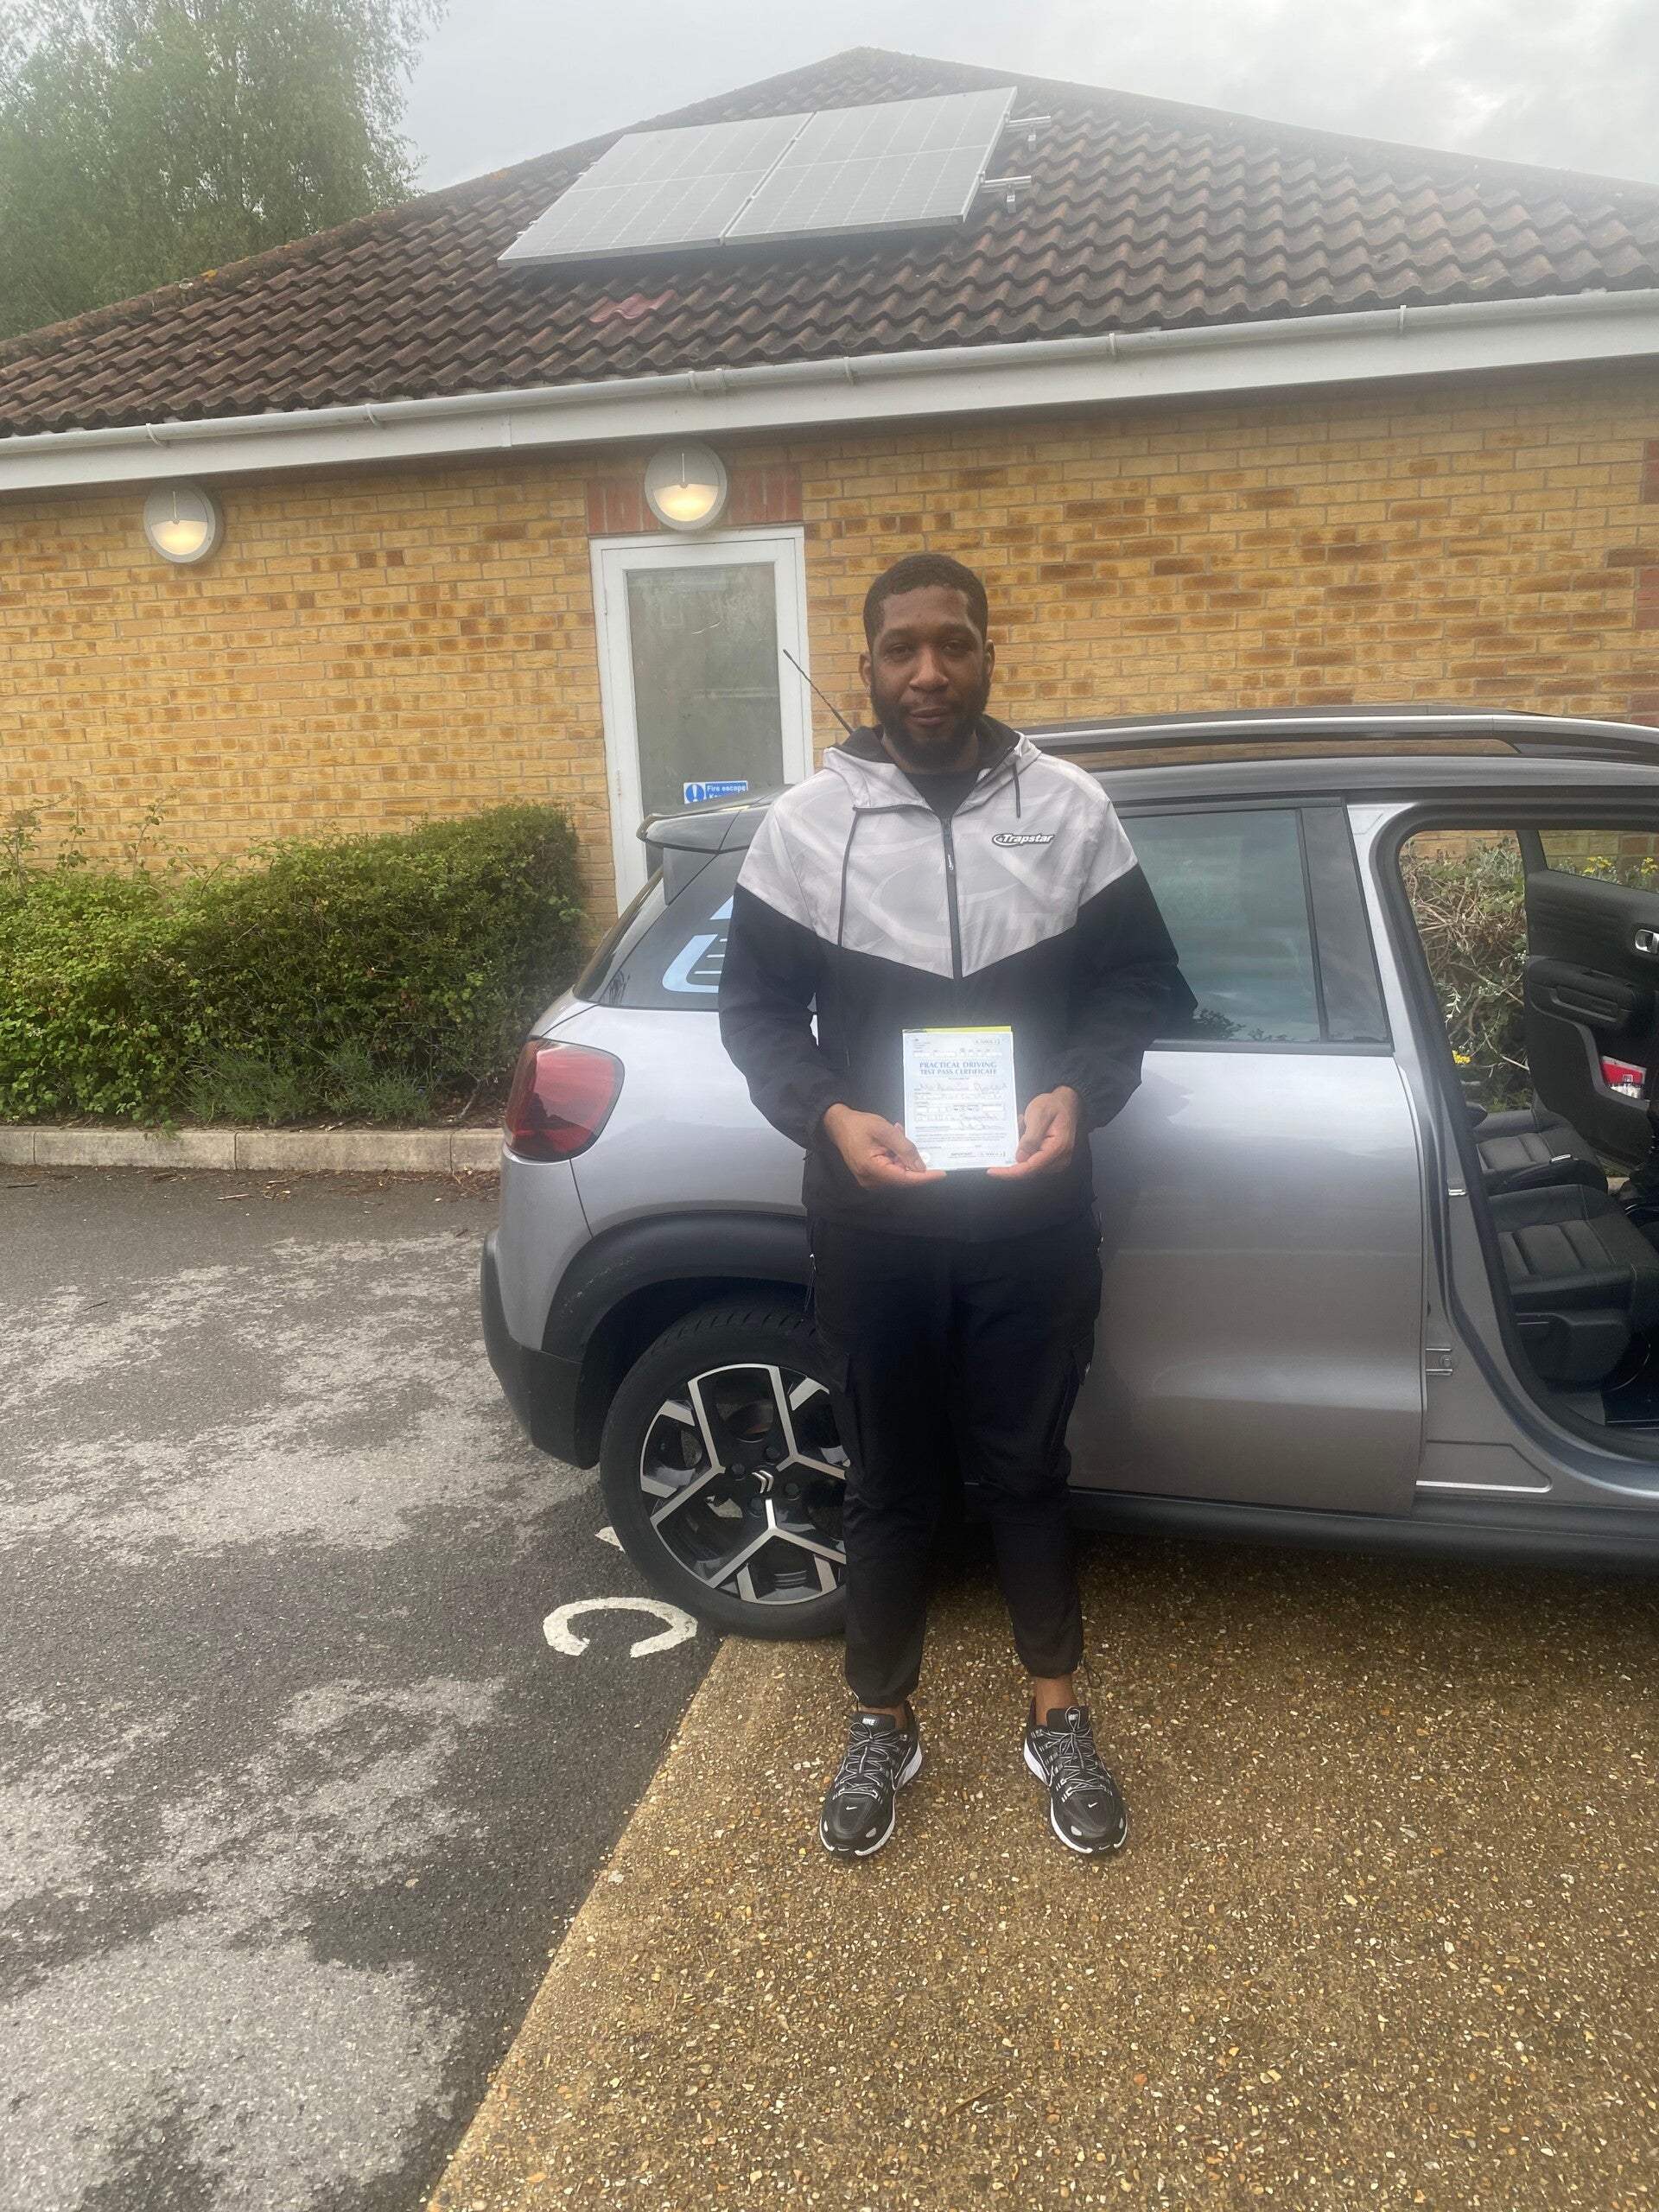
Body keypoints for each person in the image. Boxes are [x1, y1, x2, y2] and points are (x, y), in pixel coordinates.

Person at [717, 551, 1191, 1860]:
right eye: (901, 648)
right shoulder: (804, 825)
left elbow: (1140, 984)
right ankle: (883, 1719)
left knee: (1029, 1467)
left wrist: (1082, 1091)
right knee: (888, 1479)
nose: (928, 671)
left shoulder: (1072, 808)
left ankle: (1057, 1712)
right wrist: (828, 1113)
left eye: (954, 643)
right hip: (873, 1217)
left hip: (1031, 1214)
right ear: (867, 665)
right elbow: (754, 1011)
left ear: (988, 652)